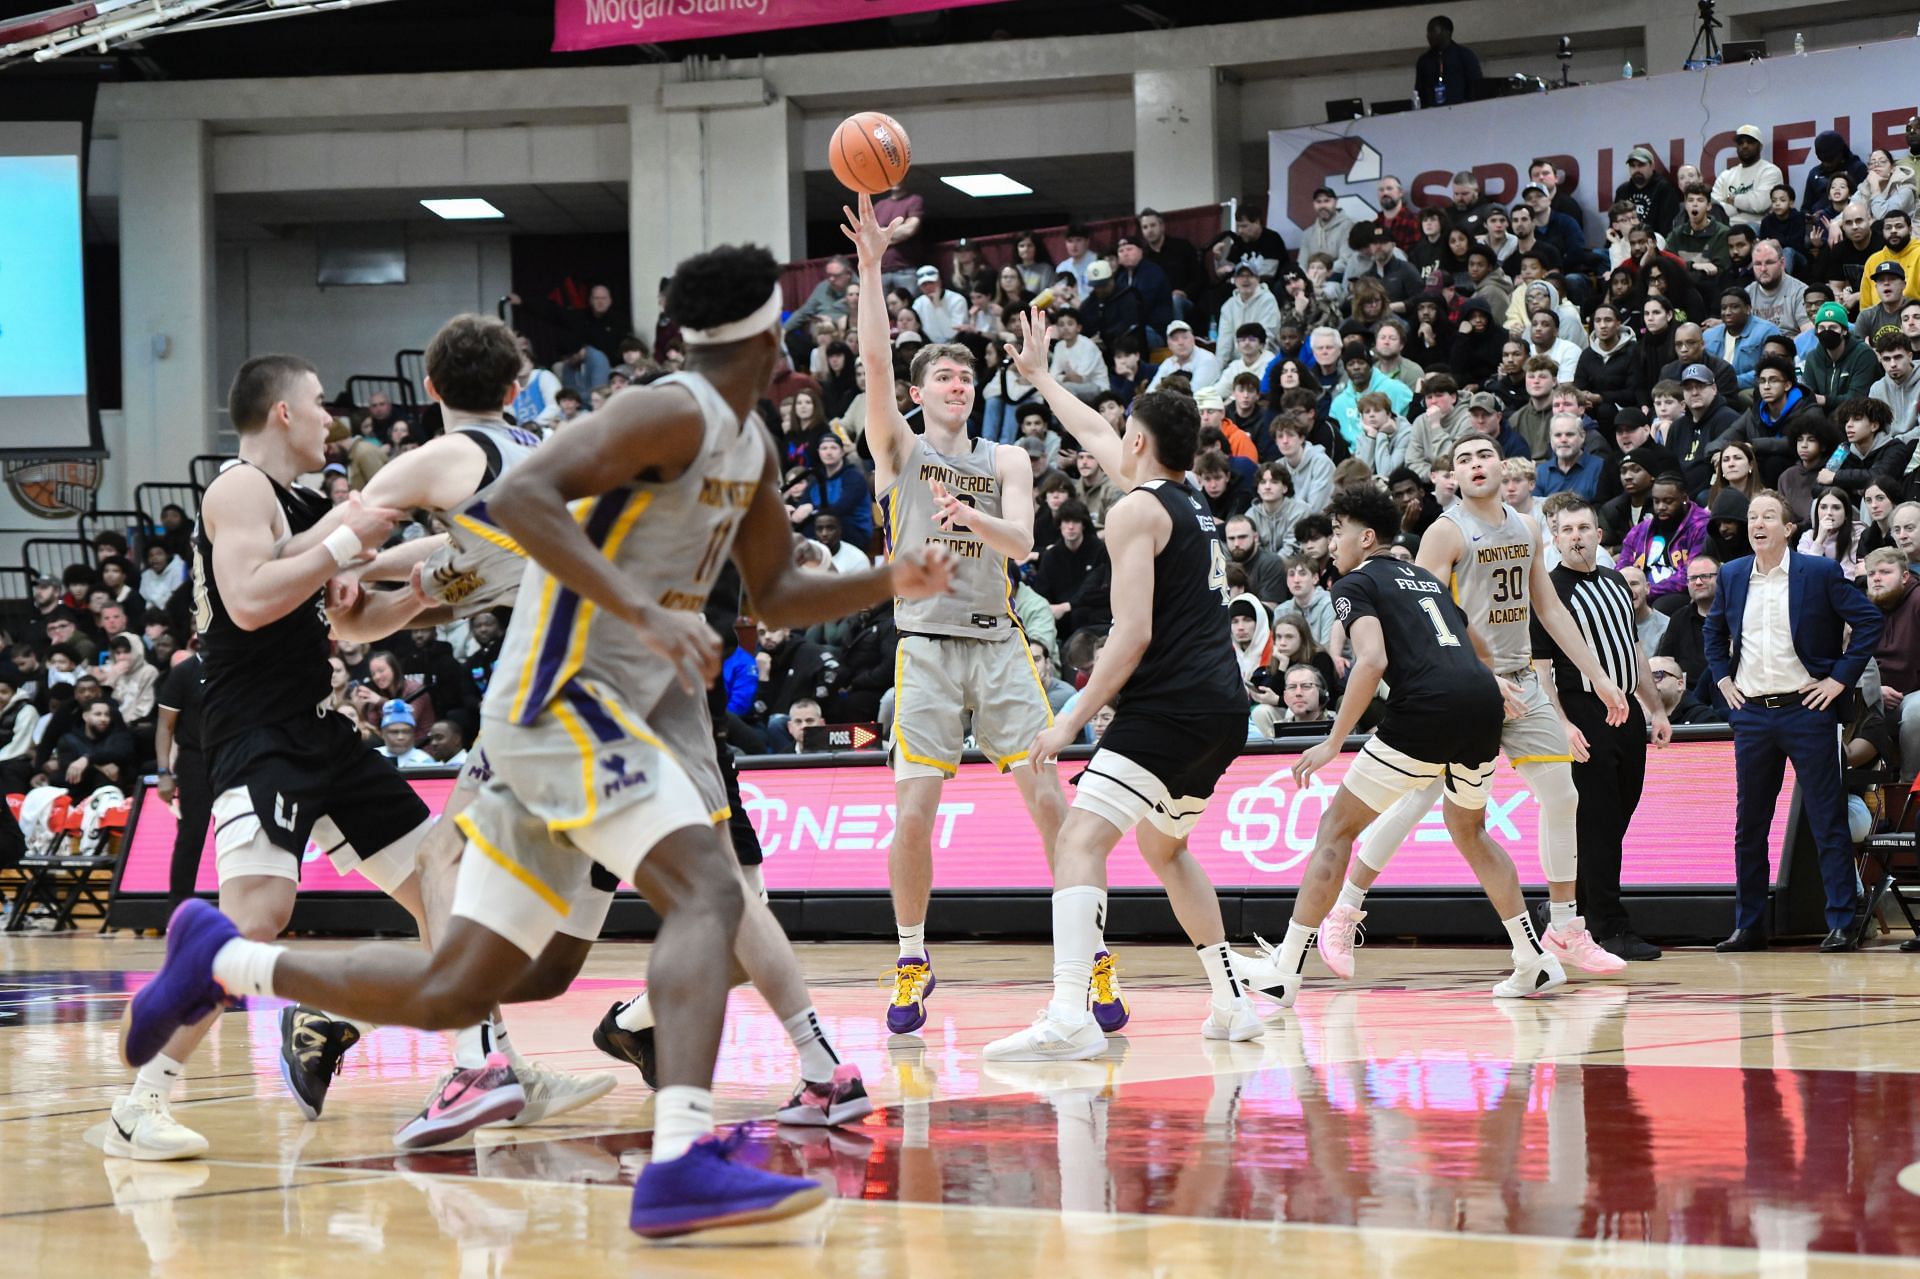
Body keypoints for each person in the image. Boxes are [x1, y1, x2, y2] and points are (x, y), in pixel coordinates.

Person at [126, 241, 955, 1238]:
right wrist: (642, 613)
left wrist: (891, 578)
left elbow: (776, 593)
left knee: (479, 980)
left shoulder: (749, 445)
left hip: (583, 714)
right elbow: (518, 503)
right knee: (709, 889)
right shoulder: (665, 409)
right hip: (567, 696)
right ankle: (683, 1159)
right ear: (759, 332)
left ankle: (223, 960)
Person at [103, 353, 428, 1162]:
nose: (331, 418)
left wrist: (413, 591)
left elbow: (344, 621)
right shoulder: (238, 488)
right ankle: (140, 1103)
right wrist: (345, 537)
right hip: (257, 732)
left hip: (324, 728)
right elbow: (249, 601)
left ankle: (482, 1062)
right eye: (319, 404)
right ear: (282, 411)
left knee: (450, 890)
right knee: (255, 920)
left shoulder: (304, 503)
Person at [845, 201, 1130, 1039]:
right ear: (918, 392)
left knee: (1051, 804)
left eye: (966, 376)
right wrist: (870, 271)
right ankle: (909, 953)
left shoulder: (1005, 456)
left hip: (1000, 644)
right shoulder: (899, 449)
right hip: (926, 648)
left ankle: (1091, 954)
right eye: (942, 376)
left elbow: (1025, 541)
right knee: (911, 814)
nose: (957, 384)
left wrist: (969, 522)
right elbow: (868, 356)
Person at [983, 389, 1262, 1060]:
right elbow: (1096, 433)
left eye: (1122, 431)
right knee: (1166, 849)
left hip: (1169, 703)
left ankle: (1068, 1014)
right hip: (1223, 706)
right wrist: (1045, 379)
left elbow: (1131, 633)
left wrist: (1068, 721)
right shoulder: (1184, 496)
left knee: (1079, 839)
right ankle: (1232, 1002)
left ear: (1138, 441)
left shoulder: (1135, 511)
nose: (1111, 438)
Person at [1238, 486, 1564, 1008]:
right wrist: (1488, 681)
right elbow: (1472, 639)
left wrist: (1332, 741)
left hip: (1429, 707)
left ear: (1366, 538)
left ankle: (1284, 968)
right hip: (1479, 704)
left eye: (1338, 533)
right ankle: (1534, 959)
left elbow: (1369, 661)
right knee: (1471, 831)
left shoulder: (1354, 583)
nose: (1332, 544)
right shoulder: (1429, 583)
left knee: (1336, 827)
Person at [1327, 433, 1631, 983]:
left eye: (1483, 454)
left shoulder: (1528, 526)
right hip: (1461, 683)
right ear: (1454, 477)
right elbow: (1424, 621)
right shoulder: (1446, 532)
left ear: (1504, 467)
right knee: (1418, 800)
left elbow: (1550, 609)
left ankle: (1564, 926)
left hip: (1520, 681)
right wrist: (1485, 677)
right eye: (1462, 459)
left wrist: (1598, 675)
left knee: (1562, 796)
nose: (1475, 464)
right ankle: (1346, 910)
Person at [1705, 490, 1883, 953]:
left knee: (1827, 820)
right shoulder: (1732, 574)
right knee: (1750, 825)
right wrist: (1722, 678)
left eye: (1768, 516)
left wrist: (1838, 680)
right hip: (1752, 716)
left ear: (1788, 529)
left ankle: (1842, 921)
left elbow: (1868, 621)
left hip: (1809, 711)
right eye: (1751, 517)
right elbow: (1714, 630)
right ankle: (1750, 926)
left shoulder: (1819, 572)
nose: (1757, 524)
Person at [1534, 497, 1673, 961]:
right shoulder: (1549, 591)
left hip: (1626, 711)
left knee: (1618, 817)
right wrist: (1562, 724)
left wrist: (1655, 710)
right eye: (1566, 529)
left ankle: (1566, 913)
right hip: (1582, 712)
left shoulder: (1616, 582)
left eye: (1584, 527)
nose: (1576, 536)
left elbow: (1633, 650)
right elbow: (1541, 670)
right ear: (1554, 538)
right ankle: (1607, 927)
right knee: (1596, 824)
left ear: (1598, 534)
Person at [1413, 15, 1481, 108]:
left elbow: (1476, 86)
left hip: (1461, 111)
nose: (1429, 35)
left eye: (1433, 31)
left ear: (1447, 32)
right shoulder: (1424, 61)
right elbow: (1419, 92)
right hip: (1432, 114)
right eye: (1428, 32)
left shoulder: (1464, 55)